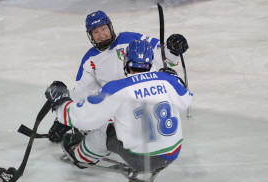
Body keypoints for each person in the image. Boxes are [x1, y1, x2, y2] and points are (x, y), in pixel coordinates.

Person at [45, 39, 193, 173]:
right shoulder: (168, 80)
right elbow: (187, 99)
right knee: (120, 117)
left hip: (141, 160)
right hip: (173, 153)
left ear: (126, 61)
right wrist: (175, 78)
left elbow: (85, 117)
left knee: (104, 128)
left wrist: (61, 102)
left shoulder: (117, 88)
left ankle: (80, 156)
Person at [47, 10, 190, 143]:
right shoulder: (90, 59)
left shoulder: (129, 39)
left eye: (103, 29)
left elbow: (162, 54)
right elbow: (83, 92)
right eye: (96, 32)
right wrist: (65, 121)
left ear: (110, 27)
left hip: (147, 97)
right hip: (118, 107)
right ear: (90, 35)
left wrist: (173, 49)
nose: (101, 35)